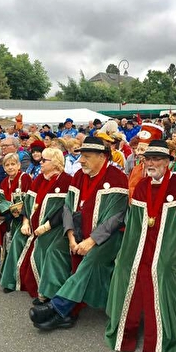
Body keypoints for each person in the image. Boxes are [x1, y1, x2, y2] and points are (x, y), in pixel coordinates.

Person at [105, 140, 176, 352]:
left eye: (156, 159)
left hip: (170, 245)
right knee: (125, 266)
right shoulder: (142, 186)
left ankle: (170, 329)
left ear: (168, 162)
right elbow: (135, 226)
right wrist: (128, 251)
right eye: (148, 159)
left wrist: (170, 252)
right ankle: (126, 331)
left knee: (161, 268)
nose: (151, 163)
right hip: (142, 243)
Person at [29, 136, 129, 331]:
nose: (81, 160)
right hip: (77, 233)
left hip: (108, 238)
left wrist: (91, 241)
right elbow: (67, 208)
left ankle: (59, 308)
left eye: (86, 156)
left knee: (92, 260)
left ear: (102, 156)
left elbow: (115, 219)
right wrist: (71, 236)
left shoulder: (117, 178)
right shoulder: (79, 176)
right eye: (81, 155)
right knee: (55, 250)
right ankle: (53, 297)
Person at [0, 147, 72, 296]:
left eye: (45, 160)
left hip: (53, 227)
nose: (41, 162)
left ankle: (43, 290)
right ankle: (12, 280)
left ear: (56, 162)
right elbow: (27, 203)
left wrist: (45, 227)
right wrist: (25, 222)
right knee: (18, 238)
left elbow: (65, 210)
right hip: (32, 225)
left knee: (43, 244)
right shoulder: (39, 179)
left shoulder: (66, 181)